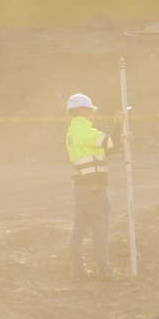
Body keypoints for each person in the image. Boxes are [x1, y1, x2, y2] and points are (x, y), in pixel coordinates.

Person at [65, 93, 124, 279]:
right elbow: (110, 142)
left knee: (79, 229)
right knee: (100, 227)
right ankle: (104, 270)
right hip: (94, 188)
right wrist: (118, 124)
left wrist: (119, 142)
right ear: (82, 111)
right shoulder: (86, 132)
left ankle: (77, 269)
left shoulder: (73, 133)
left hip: (81, 188)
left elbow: (106, 149)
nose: (93, 114)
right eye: (91, 110)